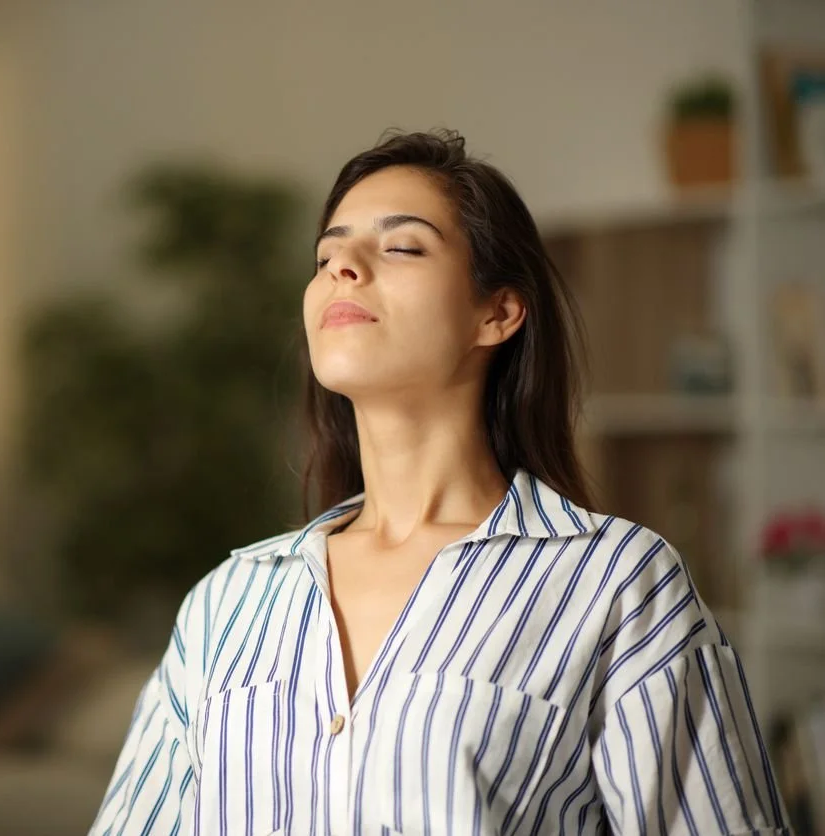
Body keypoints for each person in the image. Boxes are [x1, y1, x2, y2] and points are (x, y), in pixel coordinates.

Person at [90, 129, 789, 835]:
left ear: (498, 312)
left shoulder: (618, 586)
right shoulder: (226, 603)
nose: (344, 269)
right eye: (326, 254)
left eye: (400, 246)